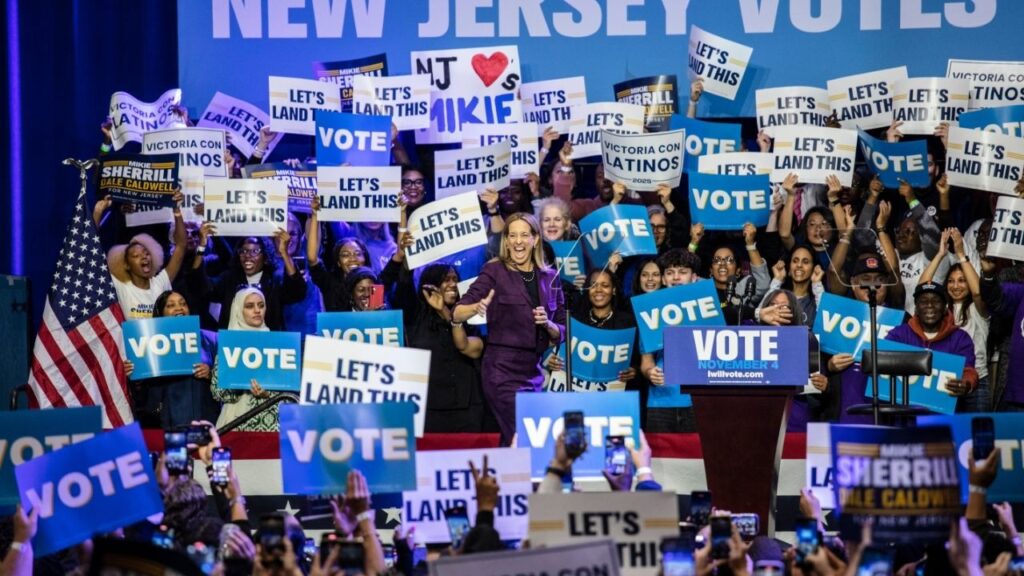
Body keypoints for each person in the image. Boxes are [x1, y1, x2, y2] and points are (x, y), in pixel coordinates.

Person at [453, 213, 566, 442]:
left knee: (517, 436)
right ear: (505, 240)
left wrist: (549, 324)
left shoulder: (550, 277)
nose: (517, 241)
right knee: (525, 433)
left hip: (534, 373)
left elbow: (562, 330)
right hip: (501, 370)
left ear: (535, 239)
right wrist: (477, 306)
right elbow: (457, 312)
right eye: (512, 235)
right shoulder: (494, 271)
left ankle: (504, 476)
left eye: (524, 235)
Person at [382, 248, 490, 432]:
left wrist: (444, 312)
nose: (452, 284)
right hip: (429, 408)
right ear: (430, 286)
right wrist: (404, 257)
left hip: (466, 407)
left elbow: (472, 348)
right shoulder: (414, 315)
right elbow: (402, 284)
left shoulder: (468, 315)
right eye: (445, 280)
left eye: (455, 280)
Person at [123, 290, 219, 429]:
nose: (179, 307)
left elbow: (227, 383)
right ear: (161, 313)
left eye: (183, 303)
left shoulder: (211, 339)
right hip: (168, 423)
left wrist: (210, 374)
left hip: (207, 420)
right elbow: (142, 398)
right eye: (171, 305)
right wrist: (136, 379)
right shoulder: (149, 343)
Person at [922, 228, 991, 412]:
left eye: (962, 281)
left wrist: (961, 254)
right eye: (951, 281)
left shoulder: (978, 309)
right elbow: (922, 288)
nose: (955, 286)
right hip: (944, 379)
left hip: (976, 380)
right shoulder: (941, 309)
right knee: (948, 435)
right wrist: (940, 254)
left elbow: (977, 291)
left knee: (977, 436)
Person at [190, 230, 307, 331]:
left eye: (255, 251)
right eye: (244, 251)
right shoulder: (229, 279)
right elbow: (199, 286)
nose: (248, 255)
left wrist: (285, 254)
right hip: (231, 347)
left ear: (265, 258)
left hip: (268, 346)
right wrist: (201, 247)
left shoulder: (274, 281)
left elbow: (297, 292)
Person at [103, 191, 188, 319]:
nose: (144, 257)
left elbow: (181, 246)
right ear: (126, 264)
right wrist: (98, 211)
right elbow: (91, 253)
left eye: (147, 253)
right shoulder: (121, 287)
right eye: (136, 256)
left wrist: (176, 210)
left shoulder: (160, 283)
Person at [210, 287, 284, 431]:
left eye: (261, 305)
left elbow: (290, 391)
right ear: (238, 310)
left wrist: (268, 394)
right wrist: (239, 384)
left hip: (272, 424)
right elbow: (217, 392)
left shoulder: (278, 343)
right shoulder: (230, 343)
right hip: (237, 421)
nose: (257, 310)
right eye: (250, 306)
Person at [757, 289, 829, 431]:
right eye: (773, 304)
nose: (778, 309)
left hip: (794, 417)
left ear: (794, 311)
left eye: (784, 306)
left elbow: (818, 387)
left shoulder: (808, 340)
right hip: (759, 415)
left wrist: (824, 385)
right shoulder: (750, 333)